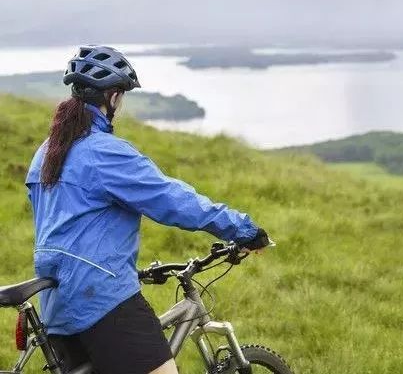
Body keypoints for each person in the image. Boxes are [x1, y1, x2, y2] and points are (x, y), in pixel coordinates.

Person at [25, 45, 270, 374]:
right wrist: (243, 229)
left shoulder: (46, 152)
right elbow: (171, 199)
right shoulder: (105, 152)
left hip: (56, 306)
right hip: (102, 301)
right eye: (121, 96)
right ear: (112, 97)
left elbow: (73, 225)